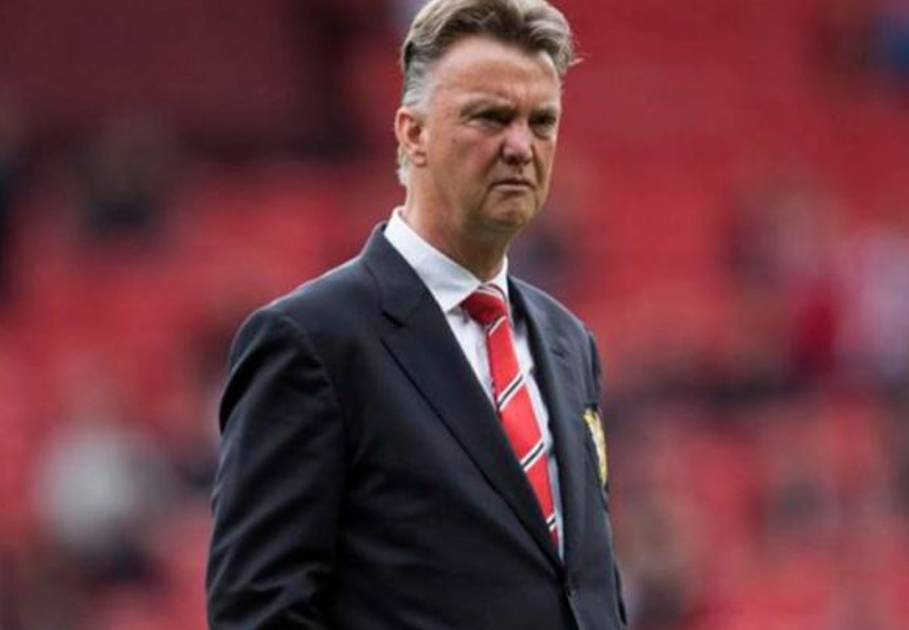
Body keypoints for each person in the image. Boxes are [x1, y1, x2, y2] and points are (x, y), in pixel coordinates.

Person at [205, 1, 627, 628]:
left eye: (542, 121)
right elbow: (260, 611)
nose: (521, 146)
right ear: (413, 133)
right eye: (490, 117)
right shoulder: (313, 341)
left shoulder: (568, 342)